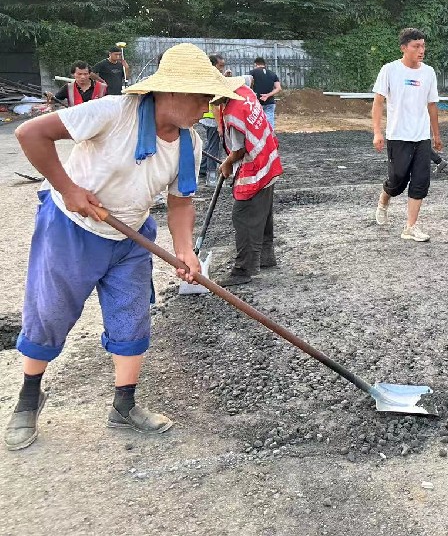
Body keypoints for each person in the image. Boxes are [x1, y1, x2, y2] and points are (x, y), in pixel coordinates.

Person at [4, 43, 241, 451]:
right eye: (201, 96)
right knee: (50, 312)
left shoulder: (190, 142)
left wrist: (185, 250)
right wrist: (69, 188)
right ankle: (27, 399)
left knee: (132, 318)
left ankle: (124, 405)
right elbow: (31, 132)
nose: (206, 106)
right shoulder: (114, 112)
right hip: (71, 227)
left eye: (210, 98)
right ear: (170, 91)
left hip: (130, 235)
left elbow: (180, 201)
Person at [372, 27, 443, 242]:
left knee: (421, 181)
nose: (421, 50)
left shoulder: (428, 72)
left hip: (421, 136)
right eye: (416, 46)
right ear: (404, 48)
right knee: (397, 181)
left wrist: (436, 134)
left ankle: (410, 227)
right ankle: (384, 200)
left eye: (423, 46)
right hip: (398, 135)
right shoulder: (390, 70)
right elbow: (378, 103)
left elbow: (432, 105)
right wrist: (377, 132)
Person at [216, 75, 283, 286]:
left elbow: (239, 149)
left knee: (242, 215)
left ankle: (243, 269)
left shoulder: (233, 115)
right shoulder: (245, 93)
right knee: (262, 211)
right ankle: (266, 256)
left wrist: (226, 163)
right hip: (268, 159)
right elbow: (249, 78)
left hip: (256, 165)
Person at [198, 54, 226, 184]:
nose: (222, 68)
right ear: (213, 65)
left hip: (207, 118)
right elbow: (215, 104)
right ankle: (212, 177)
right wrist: (220, 125)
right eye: (220, 66)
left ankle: (202, 169)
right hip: (212, 119)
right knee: (215, 148)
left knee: (210, 144)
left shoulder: (207, 77)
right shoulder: (212, 79)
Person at [249, 57, 281, 130]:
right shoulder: (273, 74)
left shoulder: (252, 73)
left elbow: (249, 85)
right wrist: (267, 95)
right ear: (265, 64)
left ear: (255, 64)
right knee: (269, 124)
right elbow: (278, 88)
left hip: (257, 102)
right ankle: (270, 138)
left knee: (257, 123)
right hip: (270, 102)